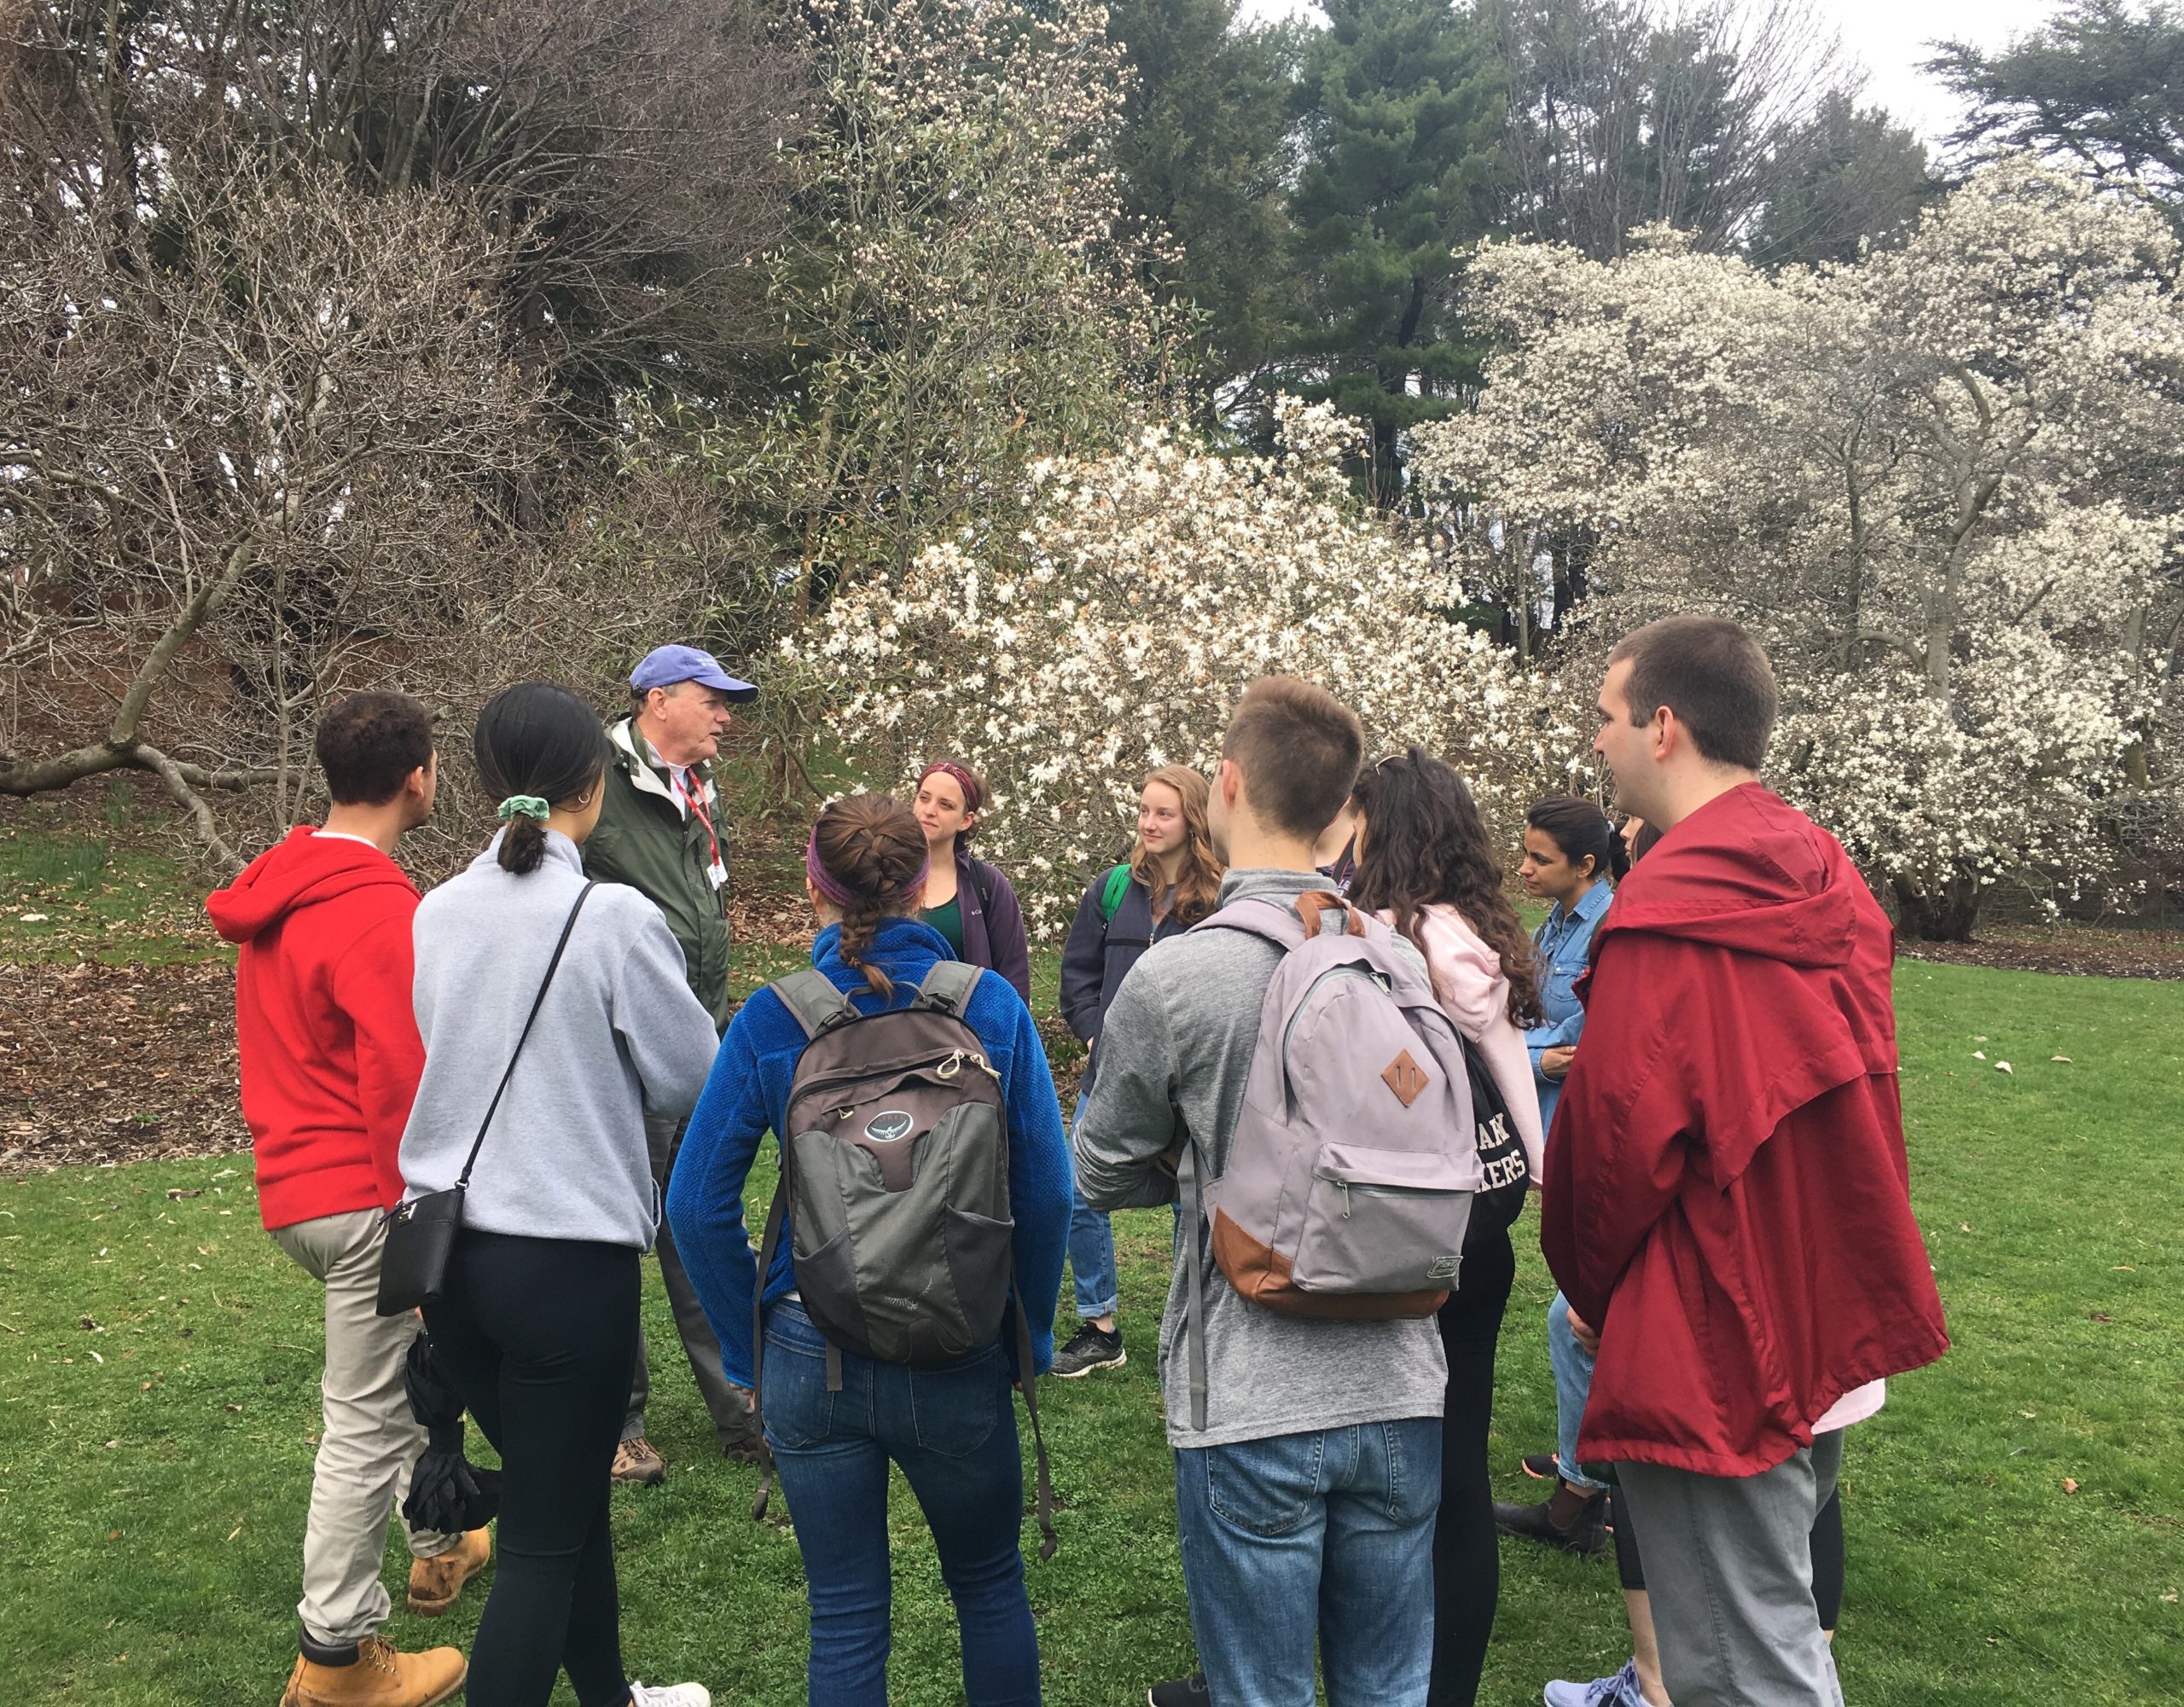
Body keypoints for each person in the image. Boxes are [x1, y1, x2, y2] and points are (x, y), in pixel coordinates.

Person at [1542, 616, 1949, 1707]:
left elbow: (1612, 1151)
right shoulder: (1823, 873)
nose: (1594, 742)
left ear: (1662, 726)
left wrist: (1595, 1291)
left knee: (1739, 1665)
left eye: (1604, 715)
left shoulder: (1672, 914)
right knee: (1781, 1631)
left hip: (1718, 1330)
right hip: (1825, 1297)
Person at [1077, 678, 1449, 1707]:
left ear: (1225, 786)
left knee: (1260, 1692)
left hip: (1248, 1390)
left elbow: (1098, 1171)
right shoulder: (1398, 961)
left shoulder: (1177, 975)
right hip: (1403, 1377)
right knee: (1388, 1689)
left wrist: (1201, 1159)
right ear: (1340, 816)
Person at [666, 793, 1072, 1707]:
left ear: (814, 884)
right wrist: (1030, 1333)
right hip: (961, 1342)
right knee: (987, 1586)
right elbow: (1048, 1191)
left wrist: (748, 1346)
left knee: (846, 1612)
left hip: (813, 1351)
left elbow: (695, 1206)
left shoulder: (774, 1020)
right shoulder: (991, 1006)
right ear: (924, 883)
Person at [402, 682, 721, 1707]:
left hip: (449, 1265)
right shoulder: (613, 917)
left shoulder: (436, 914)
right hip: (564, 1268)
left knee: (564, 1500)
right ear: (595, 784)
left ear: (488, 783)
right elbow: (692, 1076)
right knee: (542, 1542)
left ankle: (611, 1695)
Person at [207, 692, 478, 1707]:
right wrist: (420, 1218)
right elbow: (400, 1081)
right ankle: (335, 1655)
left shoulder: (283, 889)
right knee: (365, 1420)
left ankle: (441, 1544)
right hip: (364, 1196)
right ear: (419, 778)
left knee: (403, 1379)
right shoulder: (375, 908)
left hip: (295, 1193)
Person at [1347, 750, 1546, 1707]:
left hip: (1396, 1233)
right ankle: (1444, 1691)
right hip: (1481, 1232)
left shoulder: (1383, 938)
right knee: (1456, 1466)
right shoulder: (1472, 930)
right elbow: (1507, 1075)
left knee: (1377, 1480)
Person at [582, 643, 760, 1484]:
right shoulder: (594, 780)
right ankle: (619, 1428)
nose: (726, 714)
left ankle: (745, 1407)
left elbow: (702, 914)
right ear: (656, 702)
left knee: (699, 1220)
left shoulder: (696, 789)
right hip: (615, 1052)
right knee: (619, 1236)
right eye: (711, 699)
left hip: (699, 1040)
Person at [1051, 766, 1224, 1379]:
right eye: (1144, 811)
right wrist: (1096, 1031)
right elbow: (1078, 975)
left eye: (1164, 813)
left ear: (1194, 821)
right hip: (1112, 1076)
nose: (1149, 823)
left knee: (1192, 1202)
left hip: (1188, 1086)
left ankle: (1190, 1324)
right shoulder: (1113, 888)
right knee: (1078, 1188)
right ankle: (1100, 1325)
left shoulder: (1220, 897)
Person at [1496, 798, 1621, 1557]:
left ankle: (1584, 1488)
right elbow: (1533, 1013)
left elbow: (1575, 1033)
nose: (1524, 868)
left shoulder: (1606, 930)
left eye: (1540, 858)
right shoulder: (1559, 924)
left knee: (1575, 1311)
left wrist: (1530, 1050)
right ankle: (1587, 1457)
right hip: (1545, 1116)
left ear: (1585, 864)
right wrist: (1534, 1047)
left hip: (1574, 1127)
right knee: (1573, 1305)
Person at [911, 758, 1033, 1002]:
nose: (929, 810)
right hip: (892, 1031)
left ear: (965, 820)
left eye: (945, 805)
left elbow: (1013, 977)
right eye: (924, 798)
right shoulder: (884, 875)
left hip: (966, 1034)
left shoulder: (988, 886)